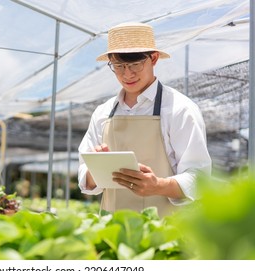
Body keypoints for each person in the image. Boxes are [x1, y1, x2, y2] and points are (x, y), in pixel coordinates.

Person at [78, 22, 212, 216]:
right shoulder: (102, 113)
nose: (127, 74)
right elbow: (85, 178)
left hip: (164, 231)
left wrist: (159, 185)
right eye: (118, 66)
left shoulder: (180, 109)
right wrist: (96, 170)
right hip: (111, 230)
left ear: (154, 59)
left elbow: (199, 178)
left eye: (135, 64)